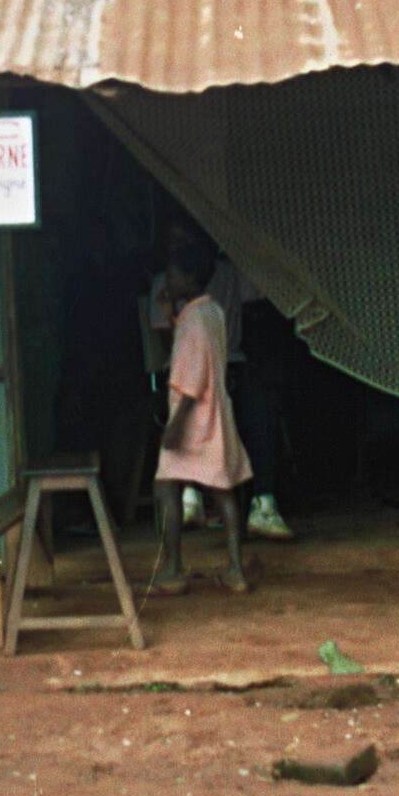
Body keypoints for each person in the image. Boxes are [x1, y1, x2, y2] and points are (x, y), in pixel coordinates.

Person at [149, 224, 295, 540]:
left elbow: (267, 287)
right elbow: (176, 352)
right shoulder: (172, 289)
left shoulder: (226, 277)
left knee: (259, 408)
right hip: (189, 373)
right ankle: (194, 499)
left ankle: (262, 503)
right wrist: (169, 316)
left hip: (224, 368)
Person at [151, 241, 252, 596]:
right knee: (222, 489)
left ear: (189, 278)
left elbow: (190, 382)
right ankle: (236, 569)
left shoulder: (192, 321)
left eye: (173, 275)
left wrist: (173, 430)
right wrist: (169, 315)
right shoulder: (211, 312)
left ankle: (174, 569)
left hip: (191, 418)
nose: (168, 279)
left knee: (166, 488)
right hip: (216, 415)